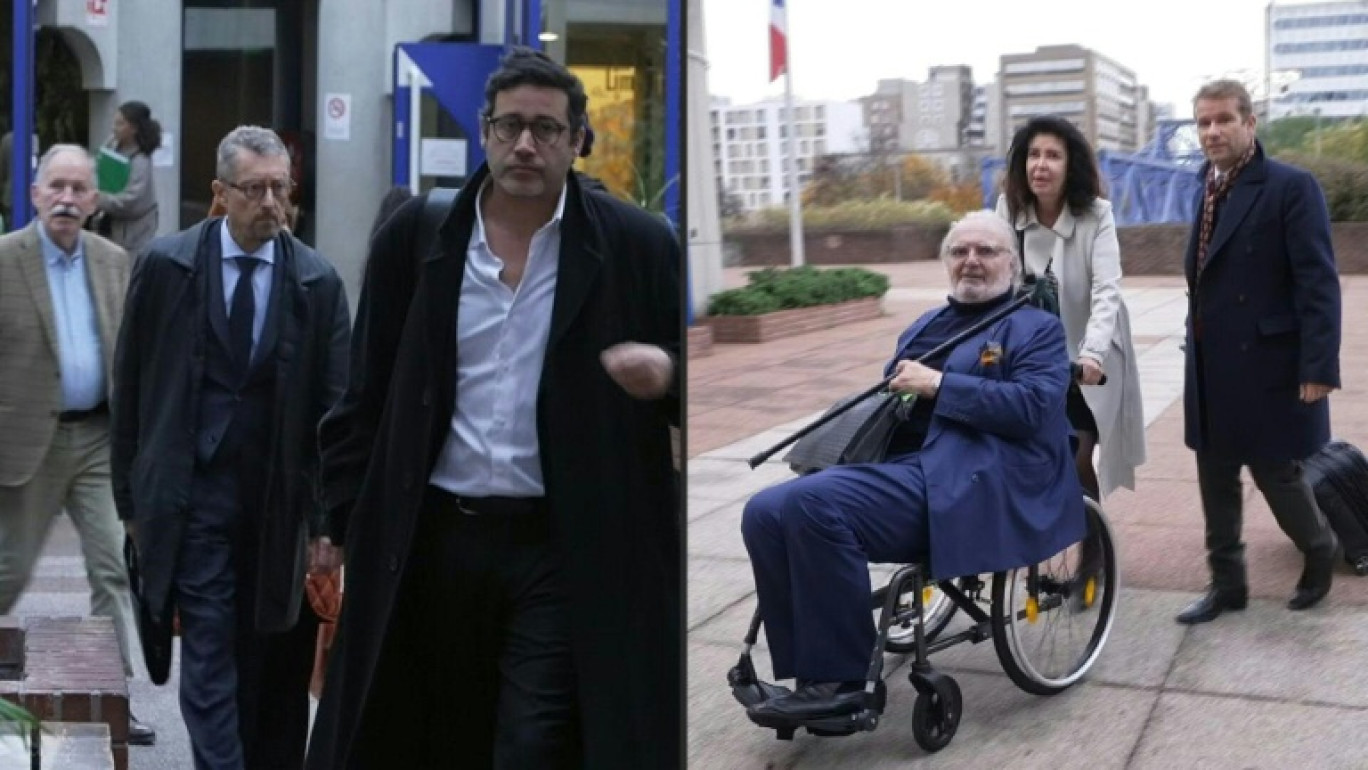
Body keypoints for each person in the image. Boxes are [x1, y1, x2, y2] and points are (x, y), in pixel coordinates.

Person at [306, 47, 681, 769]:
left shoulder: (634, 246)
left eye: (546, 129)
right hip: (433, 538)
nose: (526, 145)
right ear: (485, 132)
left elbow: (692, 362)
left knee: (532, 741)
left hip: (561, 545)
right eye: (510, 126)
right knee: (435, 731)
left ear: (578, 141)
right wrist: (335, 520)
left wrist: (666, 370)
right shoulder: (417, 239)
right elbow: (366, 394)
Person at [740, 210, 1085, 723]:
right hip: (910, 467)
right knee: (764, 511)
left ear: (1011, 264)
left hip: (980, 478)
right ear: (946, 262)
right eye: (960, 251)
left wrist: (940, 385)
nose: (971, 260)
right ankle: (811, 674)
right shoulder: (925, 325)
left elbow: (1034, 408)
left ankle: (845, 683)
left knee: (814, 505)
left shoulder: (1036, 329)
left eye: (986, 251)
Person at [110, 125, 350, 768]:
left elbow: (335, 415)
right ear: (221, 193)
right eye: (255, 189)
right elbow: (130, 387)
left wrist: (328, 524)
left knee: (270, 659)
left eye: (281, 187)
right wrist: (130, 500)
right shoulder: (167, 267)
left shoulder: (317, 283)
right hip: (195, 499)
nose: (271, 202)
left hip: (277, 505)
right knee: (210, 654)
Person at [0, 144, 155, 746]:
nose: (67, 198)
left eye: (79, 188)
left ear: (95, 201)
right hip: (25, 440)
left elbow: (133, 356)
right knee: (6, 573)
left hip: (98, 440)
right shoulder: (5, 260)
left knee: (112, 569)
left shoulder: (115, 261)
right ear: (35, 194)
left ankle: (118, 700)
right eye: (56, 186)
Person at [1175, 80, 1342, 624]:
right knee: (1214, 475)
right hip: (1209, 360)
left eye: (1223, 119)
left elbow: (1318, 283)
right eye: (1203, 122)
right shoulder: (1204, 185)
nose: (1212, 131)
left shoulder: (1291, 186)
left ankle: (1318, 549)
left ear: (1250, 123)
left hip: (1267, 361)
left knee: (1278, 474)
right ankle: (1227, 586)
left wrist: (1318, 366)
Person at [996, 115, 1145, 501]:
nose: (1040, 165)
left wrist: (1092, 353)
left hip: (1084, 352)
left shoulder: (1097, 215)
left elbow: (1106, 289)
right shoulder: (1007, 211)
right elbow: (998, 284)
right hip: (1029, 354)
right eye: (1033, 155)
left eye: (1053, 156)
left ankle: (1094, 543)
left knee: (1078, 453)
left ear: (1070, 165)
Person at [95, 101, 161, 256]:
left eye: (120, 124)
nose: (114, 128)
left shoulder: (141, 160)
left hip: (132, 237)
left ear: (134, 128)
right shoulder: (111, 145)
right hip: (107, 227)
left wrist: (98, 198)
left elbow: (130, 202)